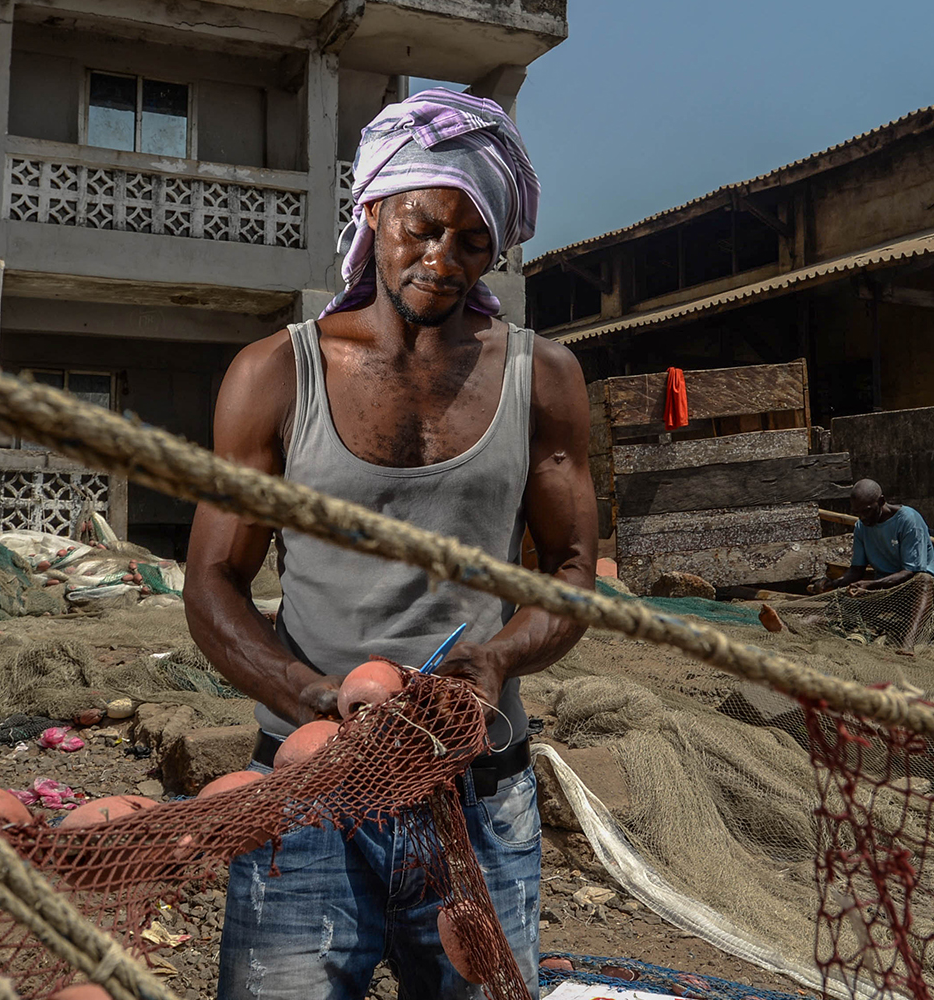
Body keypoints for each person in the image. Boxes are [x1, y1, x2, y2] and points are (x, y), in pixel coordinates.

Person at [182, 89, 597, 1000]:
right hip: (308, 791)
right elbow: (213, 580)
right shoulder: (273, 374)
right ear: (372, 210)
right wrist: (314, 698)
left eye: (473, 242)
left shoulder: (543, 376)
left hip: (477, 794)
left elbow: (570, 573)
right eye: (422, 228)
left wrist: (493, 663)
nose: (442, 261)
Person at [816, 479, 934, 652]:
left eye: (867, 511)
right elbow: (856, 571)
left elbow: (911, 571)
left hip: (913, 589)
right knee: (840, 606)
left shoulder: (909, 520)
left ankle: (907, 646)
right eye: (858, 513)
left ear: (881, 502)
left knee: (924, 581)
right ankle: (795, 624)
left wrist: (871, 585)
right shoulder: (861, 526)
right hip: (883, 590)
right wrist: (834, 583)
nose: (863, 517)